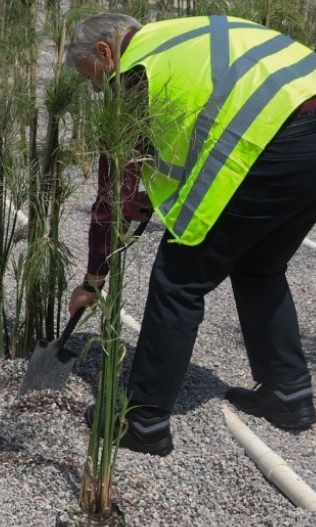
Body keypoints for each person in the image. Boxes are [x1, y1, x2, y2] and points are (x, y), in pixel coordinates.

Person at [66, 14, 316, 457]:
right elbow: (211, 115)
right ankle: (289, 395)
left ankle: (143, 419)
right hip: (304, 128)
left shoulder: (137, 71)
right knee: (259, 267)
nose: (97, 91)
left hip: (276, 139)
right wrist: (149, 198)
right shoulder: (180, 36)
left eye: (94, 80)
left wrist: (93, 280)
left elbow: (110, 193)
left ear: (105, 52)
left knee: (178, 280)